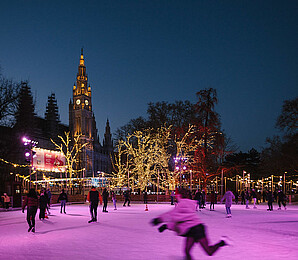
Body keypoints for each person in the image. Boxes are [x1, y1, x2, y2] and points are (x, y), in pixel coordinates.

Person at [151, 188, 229, 260]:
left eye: (176, 195)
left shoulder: (183, 203)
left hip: (197, 229)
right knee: (187, 251)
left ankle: (223, 242)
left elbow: (172, 215)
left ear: (179, 195)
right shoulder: (185, 203)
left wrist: (159, 219)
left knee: (209, 251)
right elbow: (180, 221)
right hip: (190, 230)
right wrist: (166, 226)